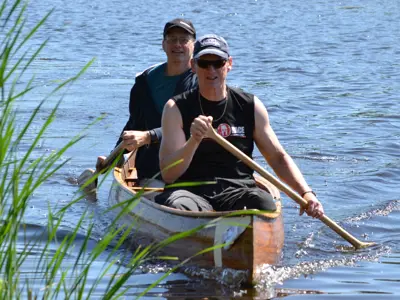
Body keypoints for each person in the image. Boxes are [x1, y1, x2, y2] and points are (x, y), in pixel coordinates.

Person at [155, 34, 324, 218]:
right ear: (194, 66)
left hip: (238, 190)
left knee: (264, 203)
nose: (211, 70)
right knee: (179, 205)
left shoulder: (250, 105)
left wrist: (306, 193)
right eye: (204, 63)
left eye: (218, 63)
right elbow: (169, 175)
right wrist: (193, 141)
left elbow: (277, 158)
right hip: (190, 191)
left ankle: (246, 237)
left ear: (229, 64)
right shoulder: (176, 108)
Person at [96, 18, 198, 186]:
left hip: (191, 167)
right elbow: (135, 123)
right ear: (163, 45)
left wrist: (148, 136)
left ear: (193, 45)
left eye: (184, 40)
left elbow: (192, 127)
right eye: (172, 39)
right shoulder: (145, 82)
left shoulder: (203, 81)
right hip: (151, 169)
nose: (178, 45)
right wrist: (113, 157)